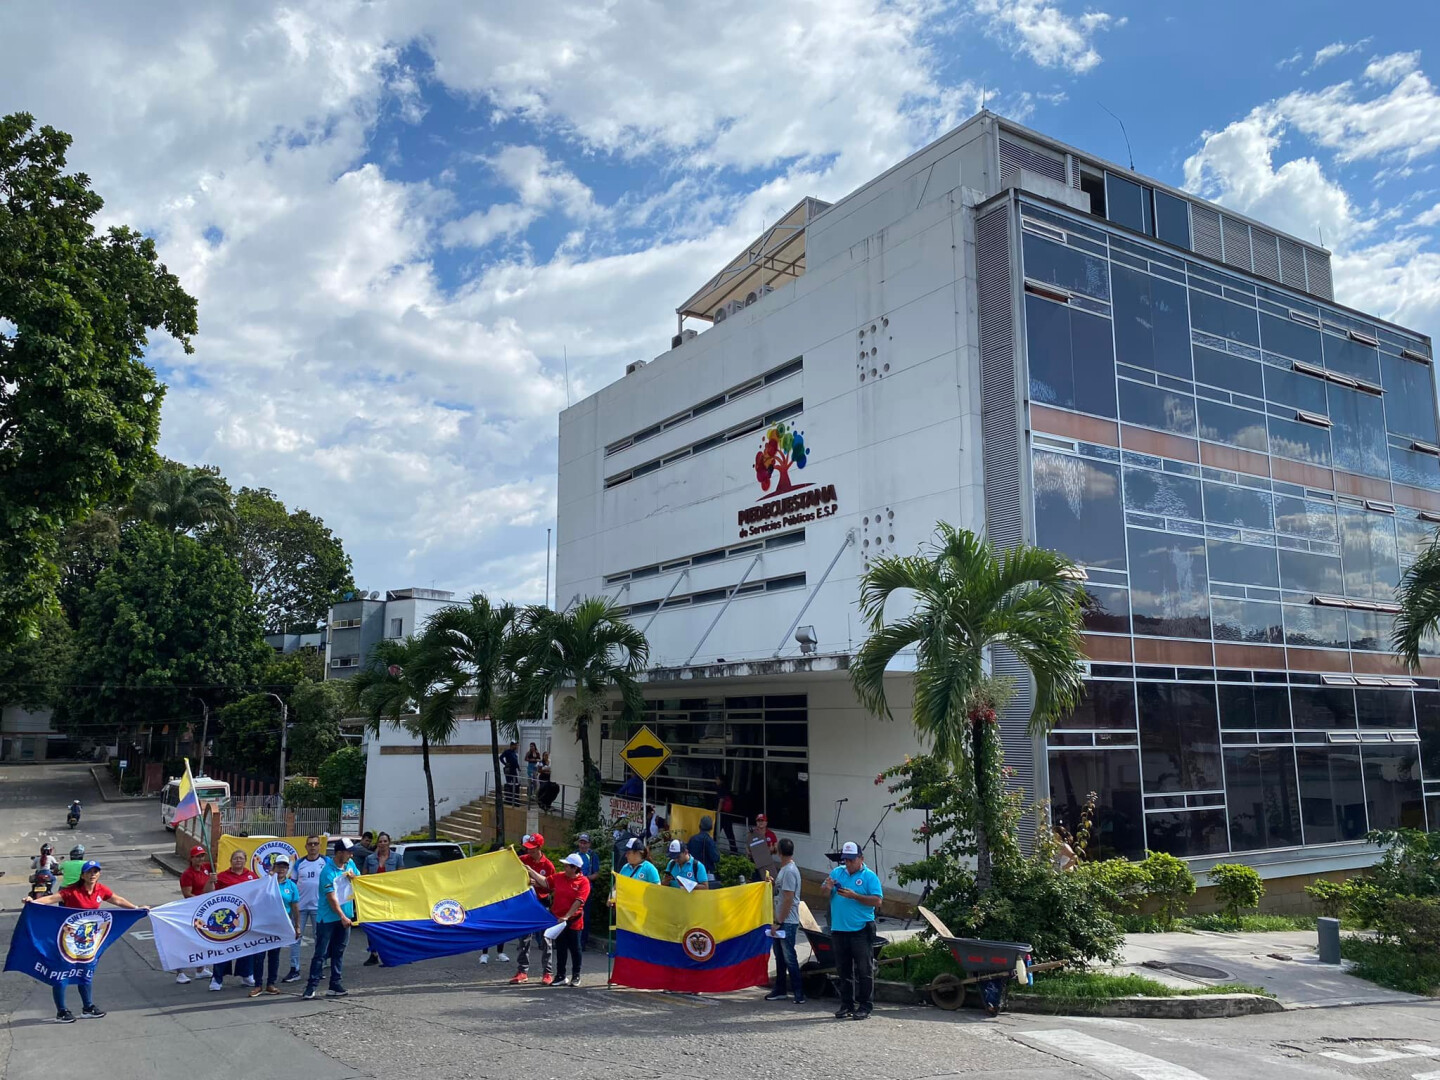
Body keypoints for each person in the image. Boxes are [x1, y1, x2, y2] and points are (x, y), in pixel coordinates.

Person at [24, 861, 145, 1022]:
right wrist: (32, 901)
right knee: (62, 973)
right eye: (89, 872)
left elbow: (117, 900)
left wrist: (136, 908)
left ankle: (88, 1007)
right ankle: (61, 1011)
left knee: (85, 971)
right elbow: (51, 898)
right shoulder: (72, 891)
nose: (92, 874)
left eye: (96, 871)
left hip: (89, 941)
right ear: (82, 875)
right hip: (68, 939)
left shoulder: (101, 890)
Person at [822, 841, 883, 1020]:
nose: (847, 863)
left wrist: (855, 896)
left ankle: (865, 1006)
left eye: (851, 860)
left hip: (861, 929)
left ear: (861, 858)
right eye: (845, 860)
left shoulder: (869, 877)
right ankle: (846, 1004)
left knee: (864, 969)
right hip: (839, 929)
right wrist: (826, 888)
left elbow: (878, 901)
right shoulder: (837, 873)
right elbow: (825, 894)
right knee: (843, 970)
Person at [303, 837, 360, 1000]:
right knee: (321, 953)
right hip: (328, 919)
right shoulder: (327, 871)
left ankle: (335, 984)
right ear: (340, 853)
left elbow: (360, 881)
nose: (351, 856)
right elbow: (331, 897)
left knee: (339, 952)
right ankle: (311, 986)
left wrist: (353, 878)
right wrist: (342, 916)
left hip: (345, 915)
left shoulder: (350, 865)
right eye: (349, 853)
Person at [210, 848, 259, 990]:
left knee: (246, 946)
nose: (238, 860)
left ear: (245, 860)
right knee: (223, 947)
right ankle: (217, 979)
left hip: (245, 918)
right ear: (231, 861)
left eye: (241, 858)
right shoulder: (222, 876)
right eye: (235, 858)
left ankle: (247, 975)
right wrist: (211, 882)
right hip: (225, 918)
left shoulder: (252, 876)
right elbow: (210, 894)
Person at [251, 854, 299, 997]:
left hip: (279, 926)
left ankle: (271, 984)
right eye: (279, 866)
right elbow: (256, 898)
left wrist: (297, 926)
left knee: (274, 956)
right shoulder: (266, 882)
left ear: (287, 869)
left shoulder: (291, 886)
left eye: (284, 866)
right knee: (259, 955)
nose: (281, 869)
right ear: (274, 867)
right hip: (264, 925)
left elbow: (295, 907)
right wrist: (268, 879)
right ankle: (257, 985)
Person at [510, 834, 555, 985]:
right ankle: (522, 971)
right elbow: (510, 869)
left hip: (542, 904)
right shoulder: (523, 860)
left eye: (532, 849)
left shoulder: (548, 865)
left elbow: (551, 887)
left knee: (546, 939)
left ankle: (547, 973)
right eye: (527, 848)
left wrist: (537, 883)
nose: (529, 852)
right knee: (524, 938)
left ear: (539, 848)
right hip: (526, 904)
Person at [765, 838, 805, 1004]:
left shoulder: (789, 871)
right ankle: (780, 989)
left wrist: (779, 921)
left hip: (786, 921)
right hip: (783, 919)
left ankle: (798, 992)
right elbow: (784, 892)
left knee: (789, 957)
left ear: (780, 851)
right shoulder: (785, 869)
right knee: (780, 956)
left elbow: (788, 898)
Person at [286, 835, 325, 983]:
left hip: (319, 907)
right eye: (310, 844)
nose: (313, 846)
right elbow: (292, 883)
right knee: (295, 938)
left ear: (319, 846)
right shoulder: (299, 863)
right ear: (306, 846)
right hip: (300, 907)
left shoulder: (325, 862)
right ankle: (294, 969)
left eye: (315, 844)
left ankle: (318, 968)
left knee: (319, 939)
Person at [176, 845, 216, 984]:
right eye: (197, 856)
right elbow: (187, 894)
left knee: (202, 939)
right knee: (187, 941)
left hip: (204, 910)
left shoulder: (206, 868)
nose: (200, 858)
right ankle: (180, 972)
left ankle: (200, 969)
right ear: (191, 858)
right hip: (192, 910)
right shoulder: (187, 874)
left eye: (202, 855)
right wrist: (201, 902)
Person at [550, 854, 591, 986]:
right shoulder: (559, 876)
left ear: (575, 868)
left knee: (575, 948)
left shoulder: (583, 882)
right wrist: (530, 871)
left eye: (567, 865)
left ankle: (576, 975)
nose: (564, 867)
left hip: (574, 920)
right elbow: (545, 882)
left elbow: (579, 901)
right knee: (560, 948)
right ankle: (561, 975)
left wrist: (567, 916)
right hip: (559, 920)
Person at [362, 832, 400, 966]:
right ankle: (374, 954)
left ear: (389, 843)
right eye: (380, 841)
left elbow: (402, 877)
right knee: (372, 926)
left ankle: (395, 953)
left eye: (385, 841)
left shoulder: (397, 858)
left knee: (392, 926)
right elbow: (363, 877)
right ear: (377, 843)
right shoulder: (370, 858)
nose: (383, 843)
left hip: (390, 898)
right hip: (373, 898)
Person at [574, 833, 600, 952]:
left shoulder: (592, 855)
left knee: (585, 916)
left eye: (585, 843)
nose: (582, 845)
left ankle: (582, 943)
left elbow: (596, 874)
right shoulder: (574, 855)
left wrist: (584, 879)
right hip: (573, 889)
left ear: (589, 844)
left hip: (586, 890)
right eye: (581, 842)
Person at [714, 775, 740, 854]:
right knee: (729, 833)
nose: (716, 781)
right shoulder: (727, 788)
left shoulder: (721, 789)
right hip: (728, 814)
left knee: (715, 832)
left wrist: (717, 812)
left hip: (723, 814)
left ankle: (712, 848)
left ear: (721, 781)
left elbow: (721, 801)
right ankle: (734, 850)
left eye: (717, 779)